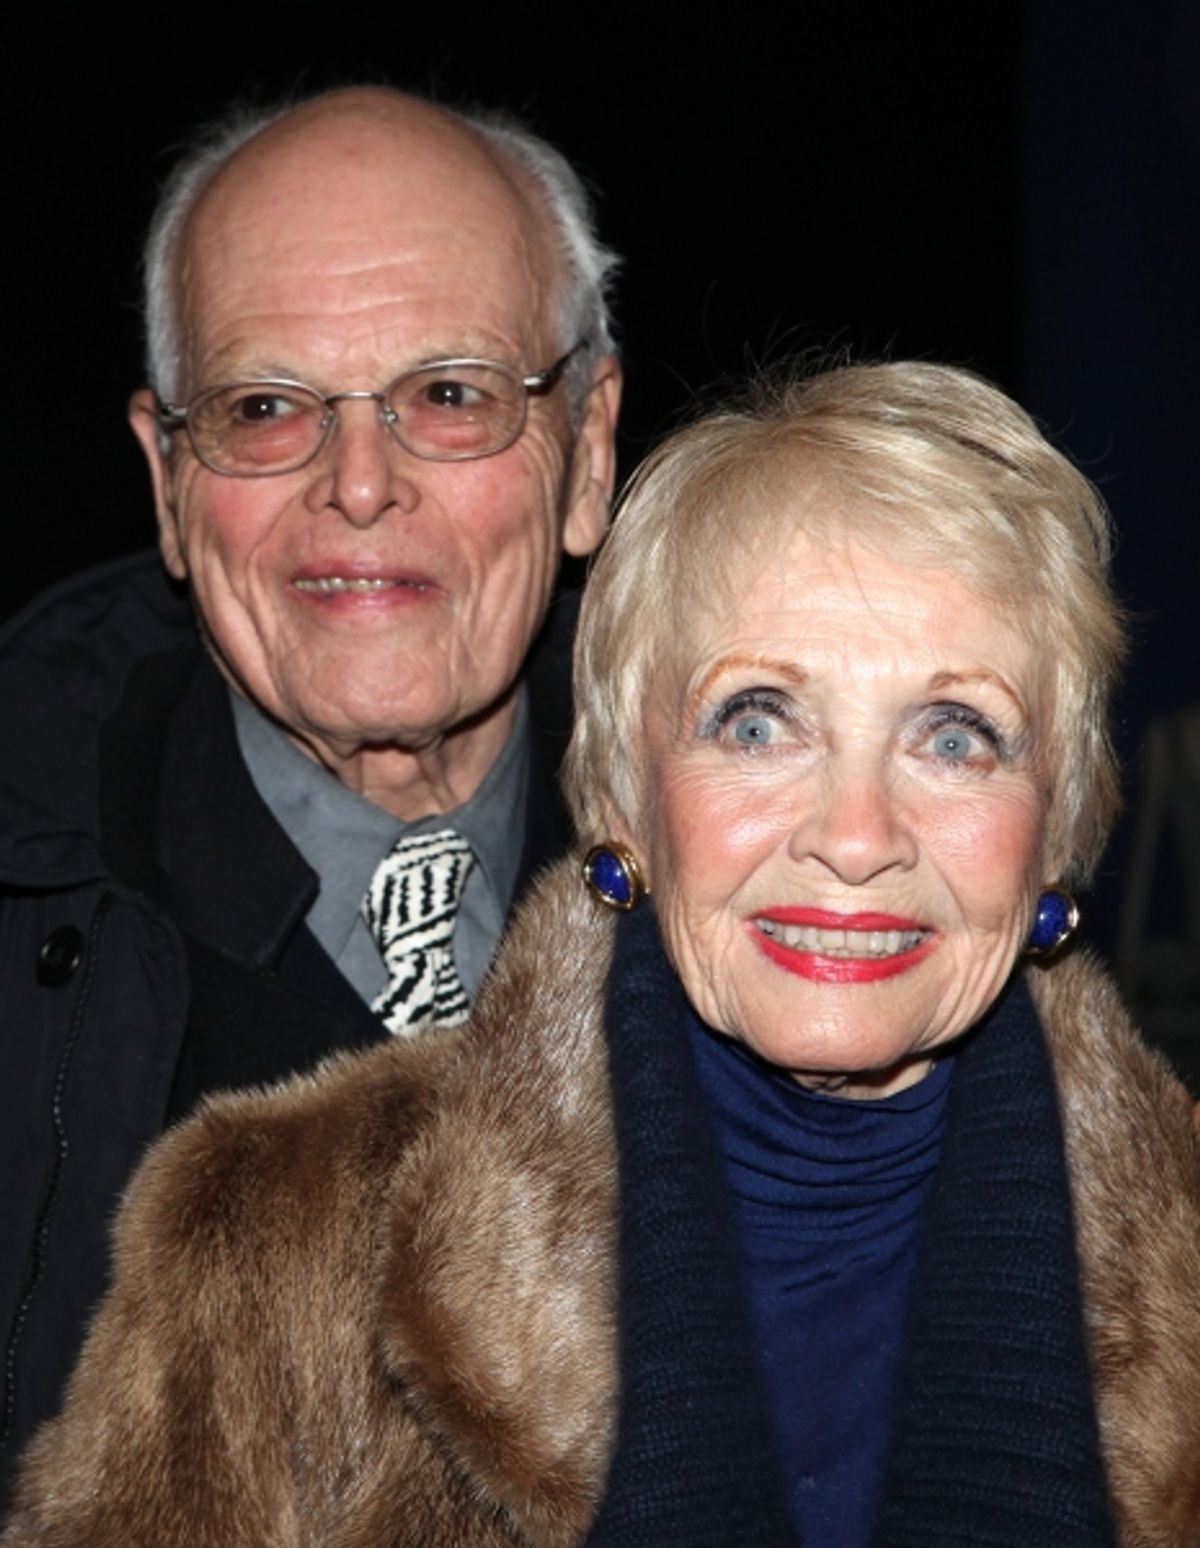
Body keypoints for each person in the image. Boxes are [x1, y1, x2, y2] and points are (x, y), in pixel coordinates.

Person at [5, 363, 1198, 1548]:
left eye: (955, 735)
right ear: (625, 797)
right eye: (759, 719)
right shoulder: (273, 1242)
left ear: (1060, 822)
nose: (854, 837)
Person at [0, 85, 620, 1491]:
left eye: (449, 396)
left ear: (587, 452)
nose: (356, 485)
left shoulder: (792, 888)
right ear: (168, 483)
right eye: (266, 406)